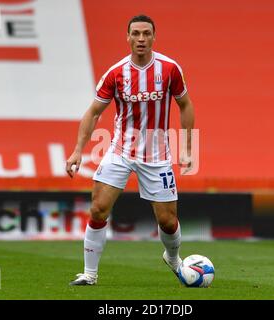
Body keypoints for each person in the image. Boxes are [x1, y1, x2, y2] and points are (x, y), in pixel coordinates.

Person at [66, 14, 195, 285]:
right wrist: (78, 149)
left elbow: (185, 105)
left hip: (158, 155)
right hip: (120, 151)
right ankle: (90, 274)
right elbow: (93, 113)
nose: (141, 39)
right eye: (135, 33)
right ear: (127, 37)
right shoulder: (115, 73)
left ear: (153, 37)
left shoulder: (170, 69)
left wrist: (186, 147)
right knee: (99, 208)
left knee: (168, 222)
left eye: (146, 33)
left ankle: (172, 258)